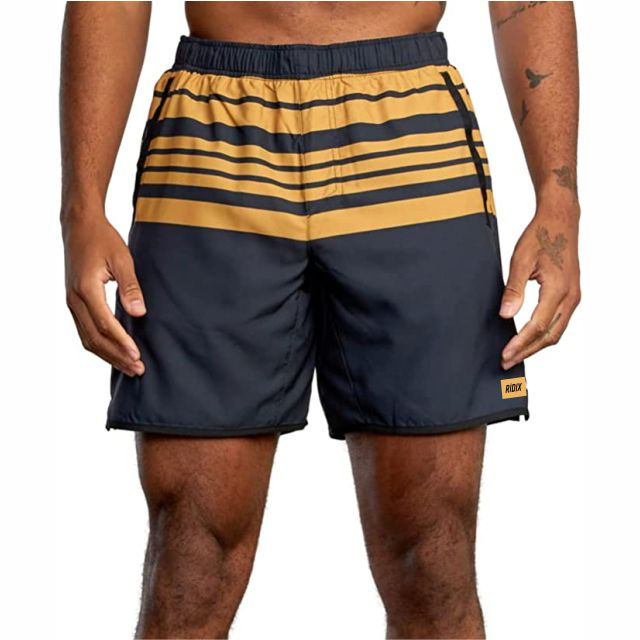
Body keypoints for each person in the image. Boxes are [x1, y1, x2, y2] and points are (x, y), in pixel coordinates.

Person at [60, 2, 580, 638]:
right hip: (212, 141)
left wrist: (559, 198)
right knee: (192, 554)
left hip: (411, 139)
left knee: (433, 554)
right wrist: (81, 208)